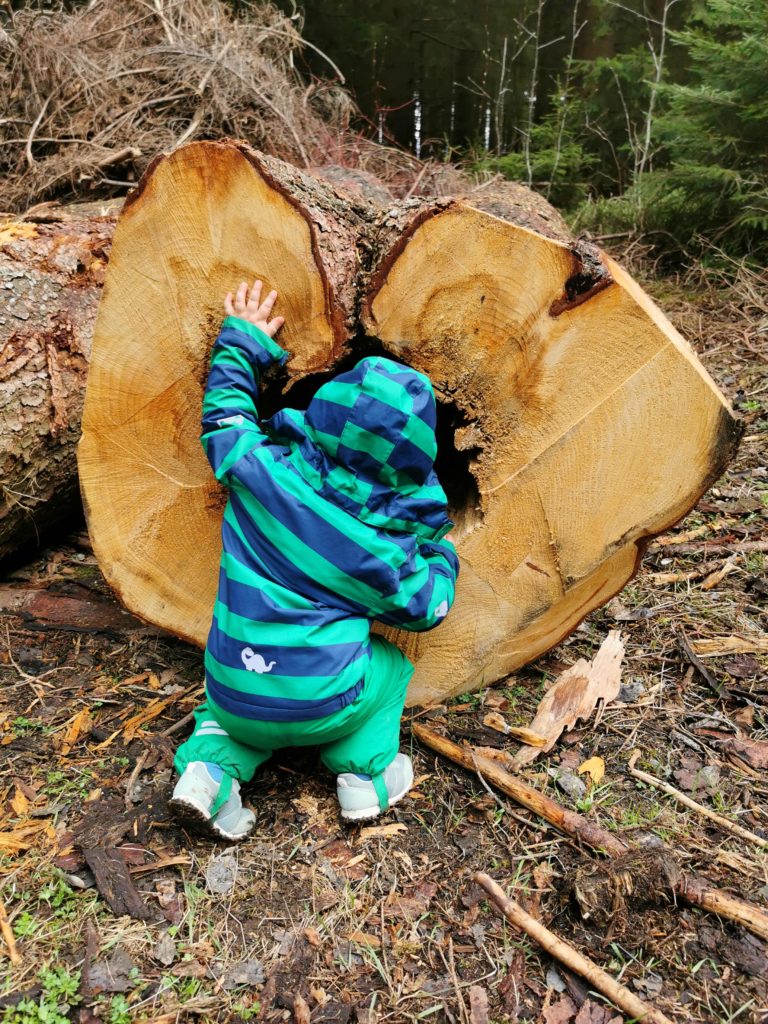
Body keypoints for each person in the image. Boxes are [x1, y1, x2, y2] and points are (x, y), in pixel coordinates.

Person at [170, 280, 459, 839]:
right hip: (324, 701)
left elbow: (224, 419)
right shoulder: (380, 555)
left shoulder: (260, 474)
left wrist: (243, 342)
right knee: (393, 666)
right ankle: (365, 780)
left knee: (229, 718)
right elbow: (429, 605)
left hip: (234, 683)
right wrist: (441, 553)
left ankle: (208, 775)